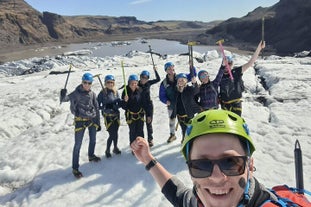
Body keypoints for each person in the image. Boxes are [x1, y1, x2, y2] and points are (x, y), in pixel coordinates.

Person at [130, 109, 283, 207]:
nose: (216, 178)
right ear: (190, 171)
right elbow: (177, 193)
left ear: (250, 166)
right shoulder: (198, 201)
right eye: (201, 166)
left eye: (230, 162)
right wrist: (148, 160)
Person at [61, 72, 101, 178]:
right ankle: (75, 168)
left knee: (93, 140)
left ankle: (91, 155)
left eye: (89, 83)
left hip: (91, 119)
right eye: (85, 82)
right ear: (82, 82)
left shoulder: (93, 94)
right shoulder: (76, 93)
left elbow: (96, 108)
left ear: (91, 83)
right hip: (80, 120)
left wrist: (98, 122)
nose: (87, 85)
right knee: (77, 145)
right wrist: (62, 94)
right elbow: (65, 99)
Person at [219, 40, 265, 116]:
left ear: (232, 64)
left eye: (229, 64)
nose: (227, 66)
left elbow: (250, 62)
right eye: (225, 64)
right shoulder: (220, 75)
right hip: (224, 105)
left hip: (236, 104)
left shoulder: (236, 72)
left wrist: (259, 48)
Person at [159, 62, 196, 143]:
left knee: (186, 121)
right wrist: (166, 101)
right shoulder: (164, 83)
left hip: (182, 104)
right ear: (166, 70)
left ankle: (187, 137)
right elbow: (161, 95)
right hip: (171, 105)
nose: (171, 70)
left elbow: (192, 75)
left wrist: (192, 67)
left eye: (172, 68)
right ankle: (172, 135)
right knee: (172, 120)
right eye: (169, 69)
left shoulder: (179, 77)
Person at [122, 74, 152, 147]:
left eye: (135, 83)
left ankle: (142, 145)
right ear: (129, 83)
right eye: (132, 83)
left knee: (140, 130)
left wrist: (148, 115)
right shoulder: (125, 91)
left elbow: (144, 103)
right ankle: (133, 146)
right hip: (130, 115)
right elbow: (123, 107)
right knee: (133, 131)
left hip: (140, 114)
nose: (133, 84)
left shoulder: (140, 90)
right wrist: (125, 101)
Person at [97, 75, 122, 158]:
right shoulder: (102, 93)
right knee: (112, 134)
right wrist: (104, 107)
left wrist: (117, 105)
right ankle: (107, 149)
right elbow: (97, 104)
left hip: (116, 115)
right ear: (105, 83)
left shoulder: (116, 92)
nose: (110, 84)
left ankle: (115, 147)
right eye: (108, 82)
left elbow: (118, 103)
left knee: (116, 133)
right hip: (108, 117)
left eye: (112, 82)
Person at [171, 73, 201, 143]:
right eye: (179, 80)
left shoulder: (189, 89)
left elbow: (196, 90)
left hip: (189, 114)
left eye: (182, 80)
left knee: (191, 130)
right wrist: (174, 114)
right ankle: (185, 141)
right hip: (180, 116)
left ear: (186, 81)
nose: (181, 81)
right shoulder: (176, 91)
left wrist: (195, 83)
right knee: (184, 130)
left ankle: (192, 142)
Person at [138, 67, 161, 147]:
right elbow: (130, 85)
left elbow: (158, 79)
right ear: (140, 77)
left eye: (146, 77)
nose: (144, 79)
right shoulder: (136, 84)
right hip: (140, 107)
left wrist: (155, 71)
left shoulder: (149, 83)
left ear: (148, 78)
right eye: (142, 77)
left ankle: (150, 139)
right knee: (140, 124)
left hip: (148, 106)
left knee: (149, 122)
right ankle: (142, 140)